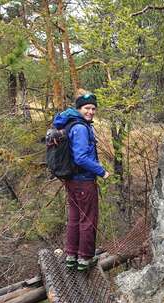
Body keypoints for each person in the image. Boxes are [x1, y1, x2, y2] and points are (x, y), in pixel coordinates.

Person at [52, 89, 110, 271]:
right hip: (83, 180)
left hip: (72, 180)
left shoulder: (71, 125)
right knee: (88, 219)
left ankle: (71, 256)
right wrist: (102, 171)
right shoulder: (80, 128)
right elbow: (81, 158)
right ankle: (85, 258)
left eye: (93, 108)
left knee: (75, 218)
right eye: (86, 108)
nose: (90, 112)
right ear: (79, 109)